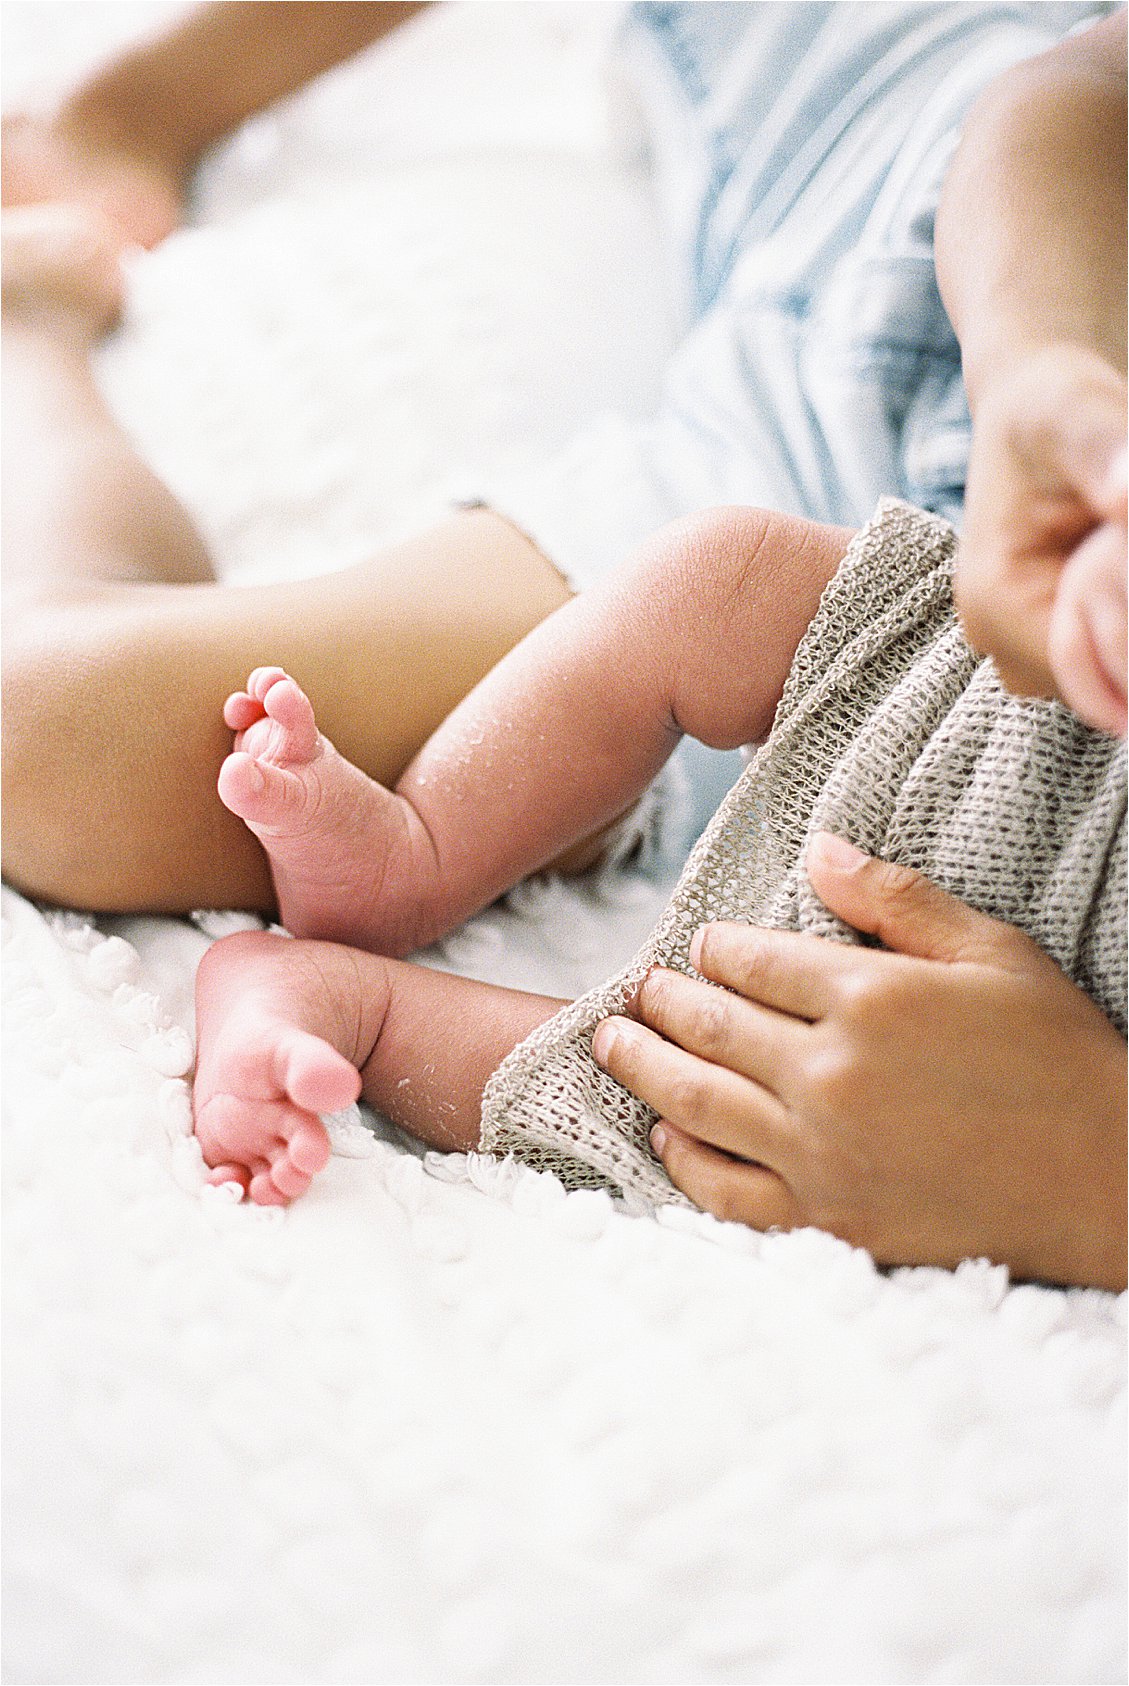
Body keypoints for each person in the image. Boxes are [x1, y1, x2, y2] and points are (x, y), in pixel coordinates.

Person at [2, 3, 1126, 1282]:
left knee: (47, 726)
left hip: (953, 686)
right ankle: (122, 117)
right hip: (1004, 266)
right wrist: (1047, 374)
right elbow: (1078, 91)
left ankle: (23, 311)